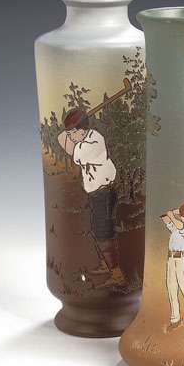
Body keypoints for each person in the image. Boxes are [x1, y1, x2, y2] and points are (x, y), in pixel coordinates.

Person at [57, 108, 123, 287]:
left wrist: (66, 134)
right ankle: (106, 264)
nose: (70, 137)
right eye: (69, 133)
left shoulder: (94, 142)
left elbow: (68, 147)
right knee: (99, 228)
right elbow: (64, 138)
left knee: (103, 231)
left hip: (104, 192)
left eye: (73, 133)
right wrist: (70, 130)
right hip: (97, 192)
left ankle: (116, 273)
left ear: (82, 130)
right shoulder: (85, 137)